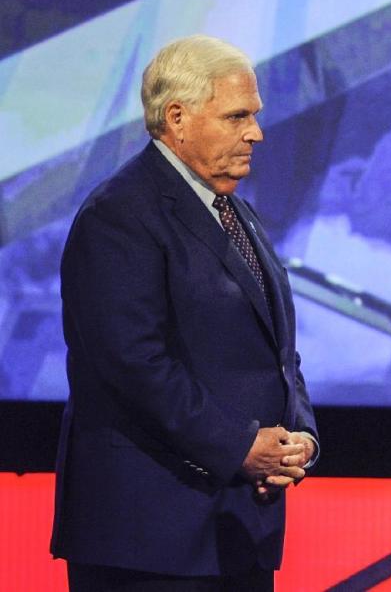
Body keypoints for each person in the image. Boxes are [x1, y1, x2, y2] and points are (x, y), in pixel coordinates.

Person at [51, 35, 319, 591]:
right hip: (150, 541)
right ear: (177, 117)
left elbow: (276, 349)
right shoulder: (119, 215)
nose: (256, 132)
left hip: (237, 532)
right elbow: (133, 364)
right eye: (237, 116)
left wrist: (300, 437)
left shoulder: (235, 213)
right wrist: (241, 446)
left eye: (255, 116)